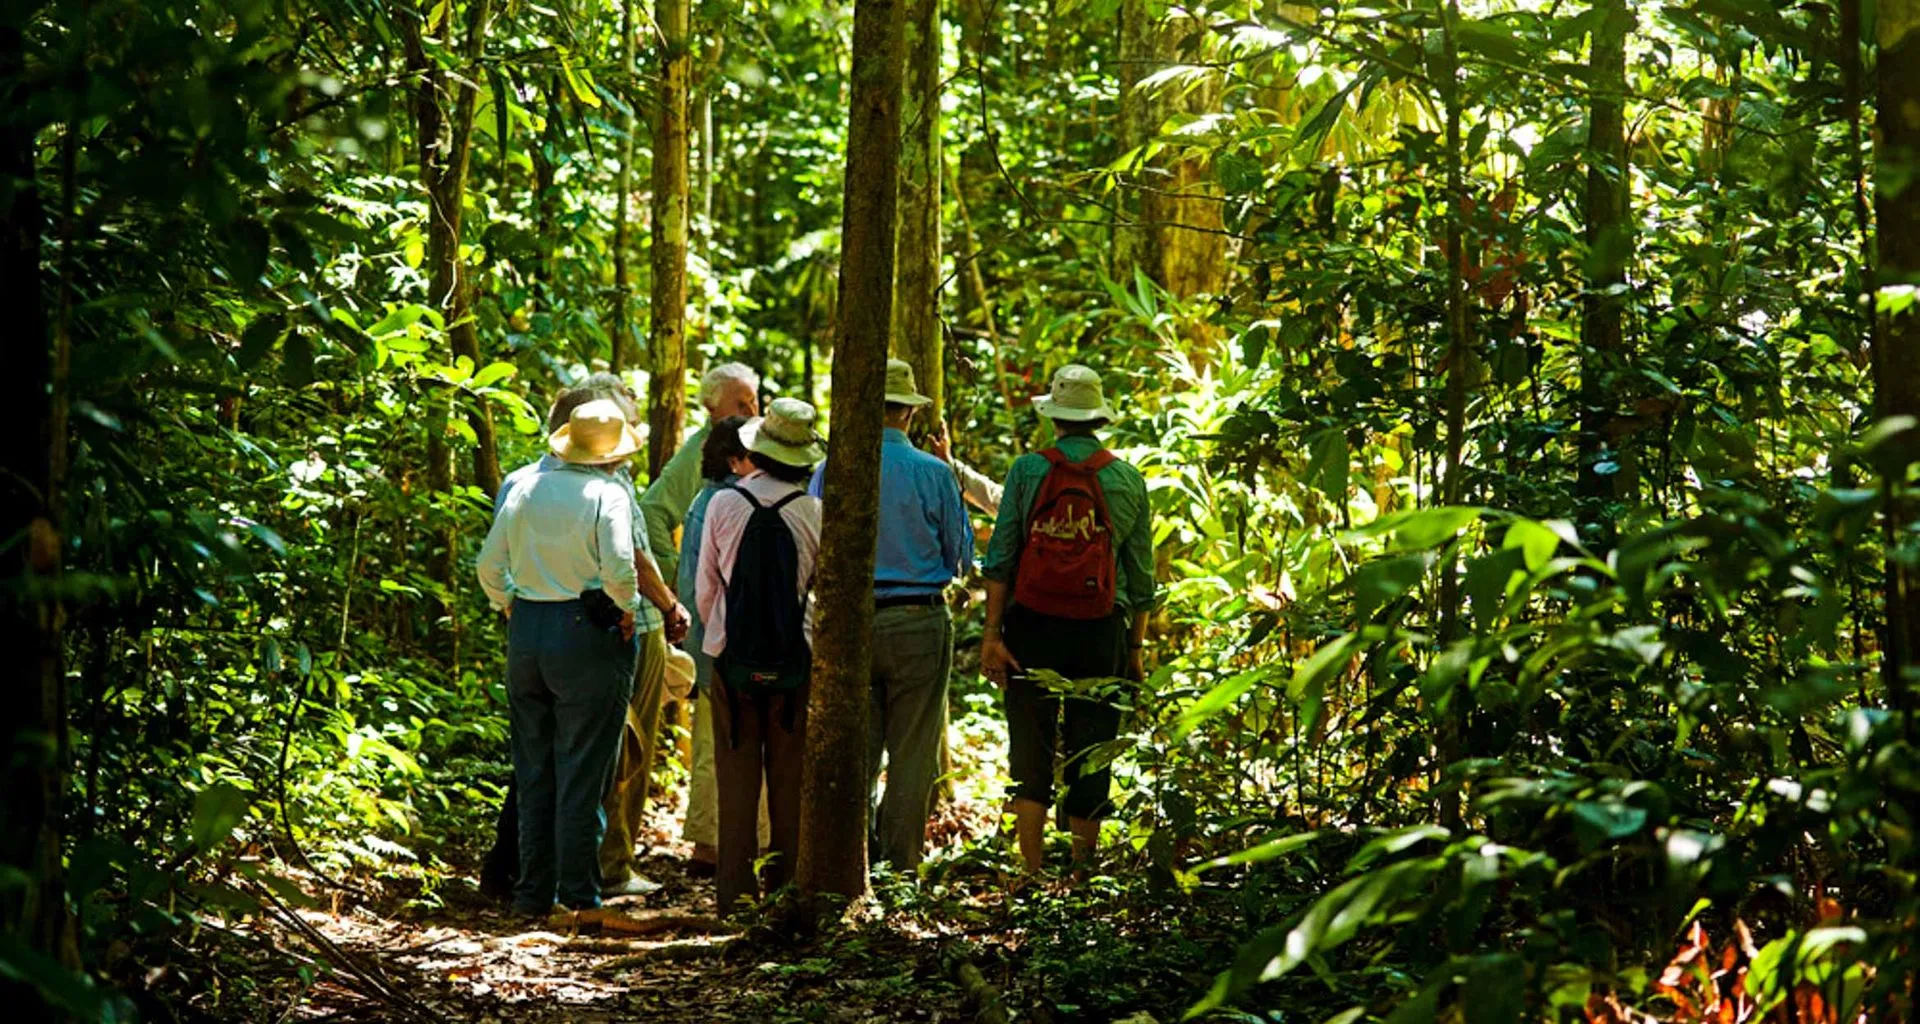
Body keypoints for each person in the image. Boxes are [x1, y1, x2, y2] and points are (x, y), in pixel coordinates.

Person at [480, 375, 686, 901]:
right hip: (587, 634)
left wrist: (510, 602)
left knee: (534, 768)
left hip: (528, 630)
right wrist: (621, 609)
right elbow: (622, 566)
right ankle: (577, 893)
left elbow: (488, 564)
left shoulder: (524, 486)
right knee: (584, 769)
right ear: (612, 453)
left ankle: (531, 892)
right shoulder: (606, 493)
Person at [978, 364, 1157, 874]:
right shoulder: (1126, 479)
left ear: (1054, 418)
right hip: (1101, 630)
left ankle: (1029, 871)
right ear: (1097, 417)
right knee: (1093, 743)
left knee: (1028, 746)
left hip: (1031, 625)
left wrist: (993, 634)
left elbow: (1002, 558)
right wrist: (1136, 650)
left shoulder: (1027, 471)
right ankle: (1082, 872)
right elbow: (1140, 578)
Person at [808, 360, 972, 870]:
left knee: (859, 751)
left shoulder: (833, 467)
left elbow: (815, 543)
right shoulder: (933, 472)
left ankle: (852, 863)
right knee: (912, 753)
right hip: (919, 619)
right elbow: (960, 555)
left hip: (853, 624)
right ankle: (900, 866)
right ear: (908, 413)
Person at [696, 398, 824, 913]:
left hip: (734, 663)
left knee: (737, 787)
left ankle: (735, 900)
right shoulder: (815, 511)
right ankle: (786, 896)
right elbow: (821, 594)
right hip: (796, 665)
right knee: (789, 789)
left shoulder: (723, 504)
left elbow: (706, 588)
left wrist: (723, 636)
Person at [678, 416, 771, 873]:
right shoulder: (741, 502)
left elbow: (691, 584)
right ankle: (757, 841)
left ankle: (707, 841)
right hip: (746, 645)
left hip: (713, 644)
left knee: (711, 745)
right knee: (759, 743)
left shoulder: (703, 502)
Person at [641, 363, 761, 586]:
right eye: (740, 405)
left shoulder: (763, 442)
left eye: (753, 400)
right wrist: (677, 574)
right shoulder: (698, 453)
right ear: (711, 408)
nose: (752, 412)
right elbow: (650, 513)